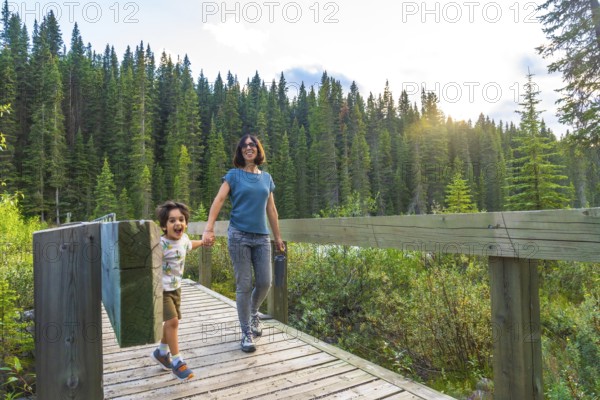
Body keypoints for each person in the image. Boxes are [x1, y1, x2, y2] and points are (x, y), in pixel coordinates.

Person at [202, 134, 285, 353]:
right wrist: (209, 228)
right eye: (244, 146)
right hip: (238, 235)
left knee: (266, 282)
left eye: (253, 145)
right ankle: (246, 332)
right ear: (240, 152)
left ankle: (253, 311)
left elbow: (272, 210)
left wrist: (277, 237)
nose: (249, 148)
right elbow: (219, 200)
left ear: (258, 150)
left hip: (261, 238)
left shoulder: (266, 178)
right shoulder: (233, 175)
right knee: (244, 284)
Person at [151, 200, 204, 381]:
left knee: (171, 323)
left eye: (181, 219)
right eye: (172, 220)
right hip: (161, 290)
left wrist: (203, 242)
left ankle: (161, 352)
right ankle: (177, 362)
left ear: (186, 223)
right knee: (172, 322)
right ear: (164, 226)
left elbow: (190, 246)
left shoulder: (184, 240)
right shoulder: (160, 244)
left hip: (176, 289)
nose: (177, 223)